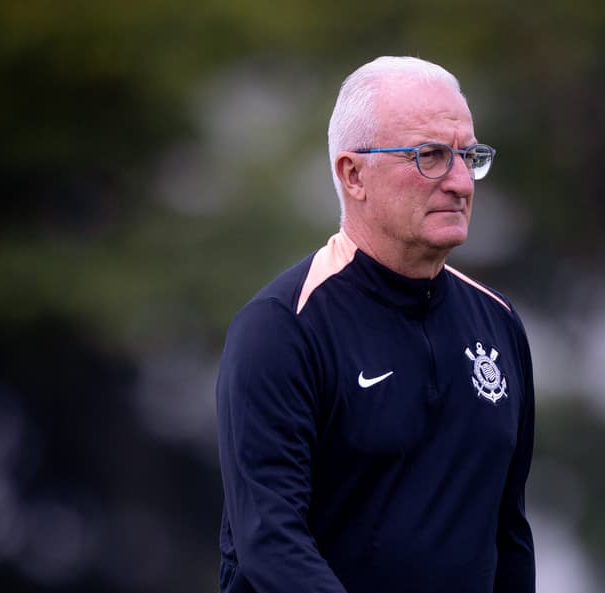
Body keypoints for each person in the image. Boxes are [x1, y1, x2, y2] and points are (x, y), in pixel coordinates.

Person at [215, 56, 535, 593]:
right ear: (354, 174)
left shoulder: (498, 325)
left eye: (468, 156)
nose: (460, 182)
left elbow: (508, 536)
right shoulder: (282, 328)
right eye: (430, 156)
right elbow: (269, 540)